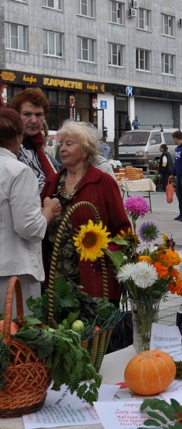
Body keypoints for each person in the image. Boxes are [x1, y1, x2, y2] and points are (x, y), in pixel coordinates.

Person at [41, 120, 130, 303]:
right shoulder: (52, 183)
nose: (62, 149)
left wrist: (108, 258)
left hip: (92, 279)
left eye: (69, 144)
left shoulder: (103, 182)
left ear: (85, 151)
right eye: (61, 144)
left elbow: (122, 230)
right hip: (55, 281)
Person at [0, 108, 61, 313]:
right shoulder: (18, 171)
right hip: (13, 273)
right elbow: (30, 229)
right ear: (19, 136)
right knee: (17, 337)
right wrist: (49, 210)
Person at [9, 88, 57, 191]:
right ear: (16, 116)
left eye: (39, 115)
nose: (34, 121)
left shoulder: (39, 147)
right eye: (27, 114)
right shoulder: (10, 150)